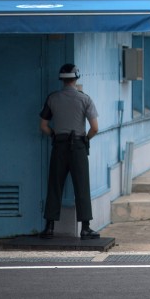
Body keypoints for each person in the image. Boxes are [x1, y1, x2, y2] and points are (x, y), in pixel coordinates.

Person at [39, 64, 100, 240]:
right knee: (81, 186)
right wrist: (85, 139)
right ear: (76, 78)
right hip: (78, 146)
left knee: (55, 185)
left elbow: (43, 126)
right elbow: (95, 128)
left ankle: (49, 227)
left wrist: (55, 135)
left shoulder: (53, 98)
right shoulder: (85, 99)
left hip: (59, 145)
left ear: (62, 79)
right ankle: (85, 228)